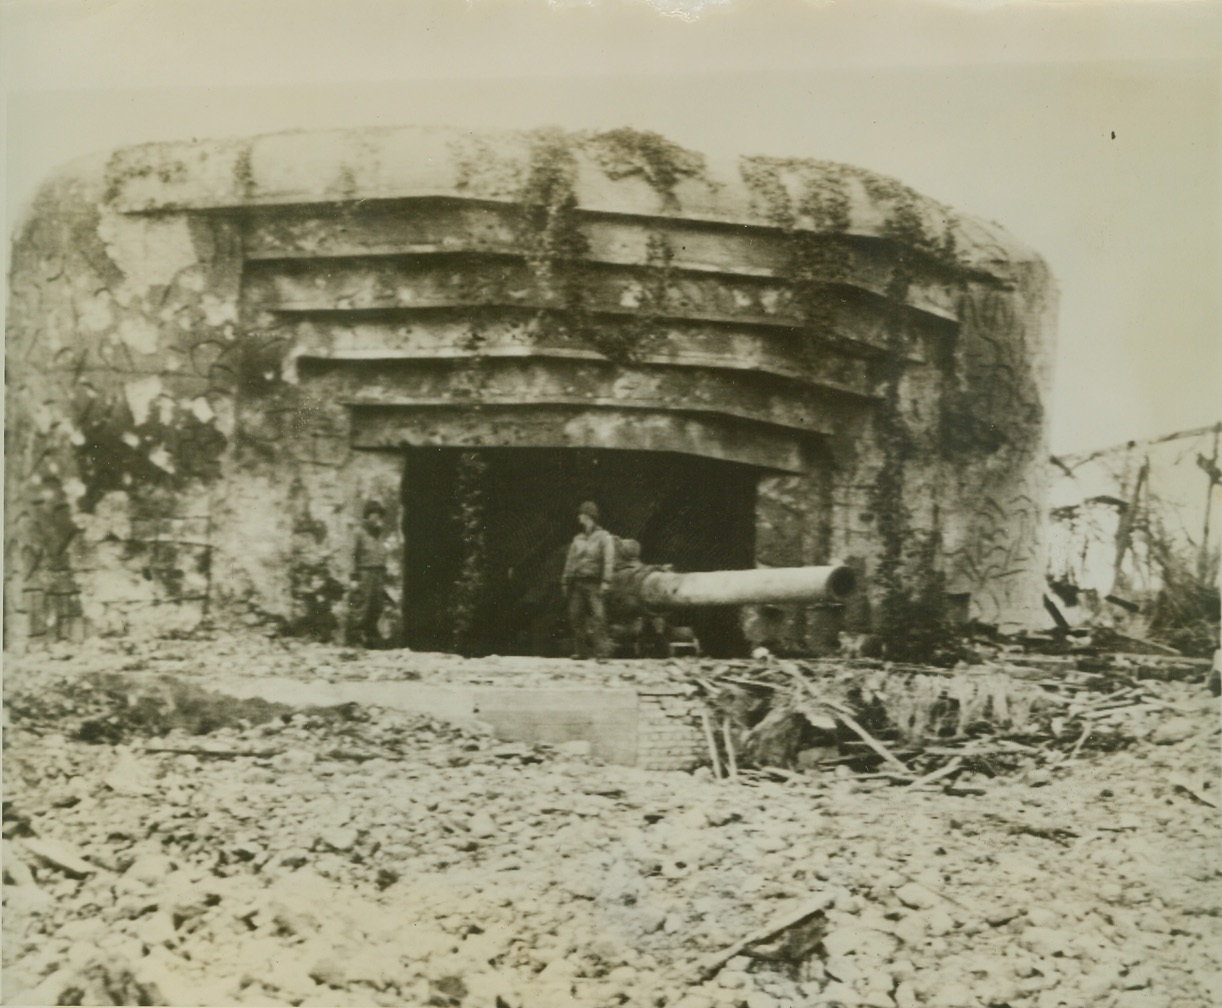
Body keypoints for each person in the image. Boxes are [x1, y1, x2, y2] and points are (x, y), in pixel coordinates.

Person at [561, 501, 616, 660]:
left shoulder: (604, 537)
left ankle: (603, 652)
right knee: (575, 615)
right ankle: (582, 651)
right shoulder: (578, 538)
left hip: (594, 583)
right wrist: (565, 580)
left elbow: (608, 560)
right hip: (578, 582)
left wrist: (606, 581)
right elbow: (570, 561)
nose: (579, 517)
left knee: (598, 616)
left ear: (588, 516)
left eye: (581, 514)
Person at [349, 500, 388, 647]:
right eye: (376, 515)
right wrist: (354, 578)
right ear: (368, 516)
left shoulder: (379, 534)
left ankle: (371, 640)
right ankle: (355, 640)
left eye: (380, 516)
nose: (378, 519)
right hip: (365, 572)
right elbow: (353, 555)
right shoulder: (359, 532)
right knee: (361, 606)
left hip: (378, 573)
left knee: (376, 606)